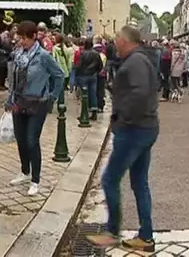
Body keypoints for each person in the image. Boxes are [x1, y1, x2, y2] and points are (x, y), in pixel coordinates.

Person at [87, 25, 159, 253]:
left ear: (125, 41)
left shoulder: (135, 62)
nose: (114, 42)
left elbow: (138, 95)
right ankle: (145, 236)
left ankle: (112, 232)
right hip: (145, 128)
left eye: (117, 38)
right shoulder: (142, 60)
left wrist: (122, 118)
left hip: (134, 130)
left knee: (109, 179)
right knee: (139, 182)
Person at [6, 21, 64, 196]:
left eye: (24, 38)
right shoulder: (17, 54)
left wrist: (52, 97)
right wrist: (10, 100)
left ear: (33, 37)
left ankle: (35, 180)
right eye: (19, 38)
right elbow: (13, 79)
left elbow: (59, 75)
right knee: (21, 139)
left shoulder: (43, 56)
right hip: (19, 101)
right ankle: (25, 171)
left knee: (32, 140)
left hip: (37, 102)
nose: (21, 42)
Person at [76, 38, 103, 120]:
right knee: (93, 94)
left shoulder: (83, 54)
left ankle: (84, 114)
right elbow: (100, 65)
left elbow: (79, 65)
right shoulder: (96, 54)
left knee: (84, 95)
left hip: (83, 75)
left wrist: (77, 73)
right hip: (93, 75)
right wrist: (96, 72)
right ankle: (94, 111)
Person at [52, 33, 74, 103]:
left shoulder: (54, 48)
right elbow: (68, 60)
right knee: (61, 90)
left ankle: (52, 103)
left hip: (56, 70)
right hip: (64, 70)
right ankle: (61, 104)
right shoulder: (66, 49)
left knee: (54, 88)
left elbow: (53, 59)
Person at [92, 35, 108, 112]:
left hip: (93, 73)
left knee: (93, 90)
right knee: (101, 90)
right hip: (102, 73)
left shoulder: (92, 50)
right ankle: (100, 106)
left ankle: (94, 105)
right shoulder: (104, 50)